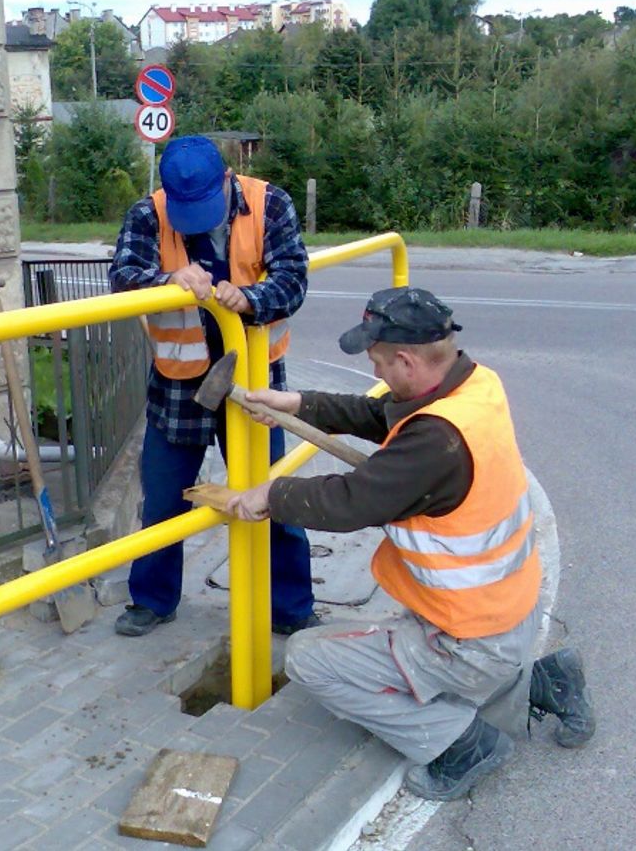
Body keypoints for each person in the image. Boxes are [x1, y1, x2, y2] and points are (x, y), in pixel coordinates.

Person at [227, 287, 595, 801]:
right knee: (437, 654)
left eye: (378, 362)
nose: (376, 373)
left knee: (309, 659)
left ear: (404, 358)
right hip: (507, 610)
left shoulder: (435, 442)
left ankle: (462, 745)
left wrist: (272, 493)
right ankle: (542, 680)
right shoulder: (473, 387)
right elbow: (385, 418)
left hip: (469, 636)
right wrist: (299, 404)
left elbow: (350, 502)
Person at [107, 134, 318, 638]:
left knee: (275, 497)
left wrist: (249, 298)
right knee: (162, 501)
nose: (195, 223)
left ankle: (290, 607)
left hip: (252, 381)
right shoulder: (148, 214)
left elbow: (294, 277)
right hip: (179, 384)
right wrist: (166, 280)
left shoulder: (270, 203)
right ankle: (153, 600)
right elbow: (121, 276)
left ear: (227, 180)